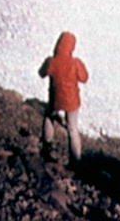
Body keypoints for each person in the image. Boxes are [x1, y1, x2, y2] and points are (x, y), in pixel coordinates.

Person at [38, 31, 89, 163]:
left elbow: (41, 73)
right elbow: (84, 78)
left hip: (56, 99)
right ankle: (75, 159)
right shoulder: (75, 63)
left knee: (49, 116)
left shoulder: (52, 62)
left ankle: (47, 145)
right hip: (72, 101)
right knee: (72, 128)